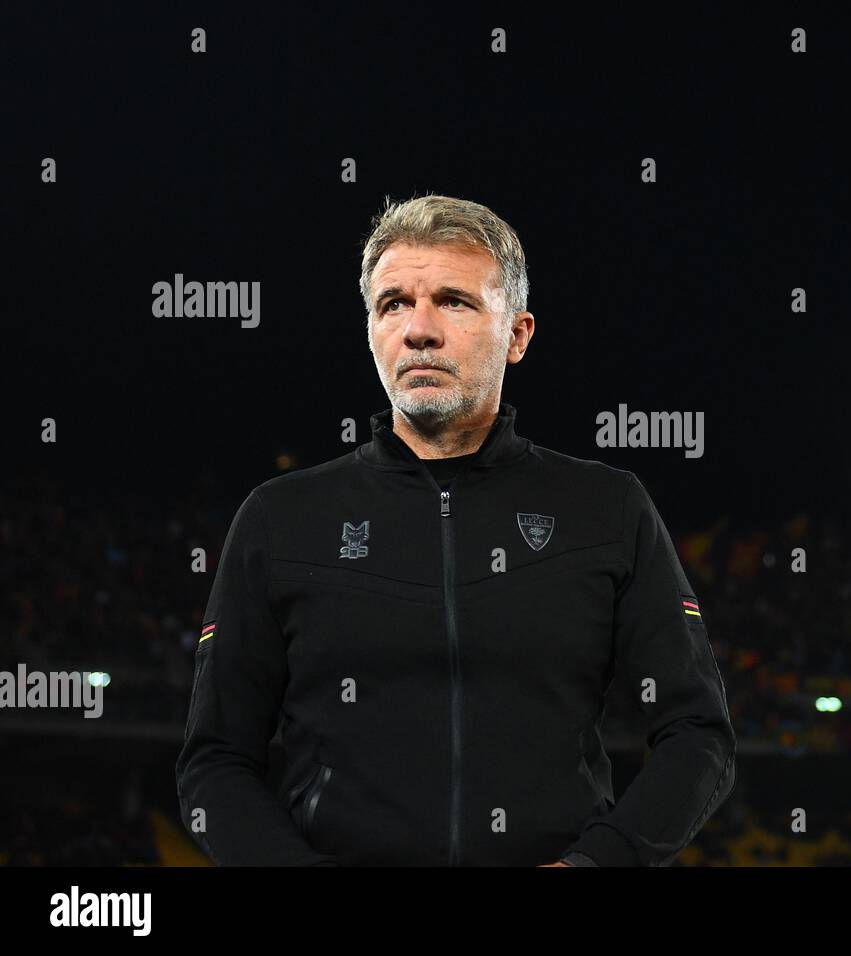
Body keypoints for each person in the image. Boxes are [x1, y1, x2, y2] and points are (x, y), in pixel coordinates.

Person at [175, 193, 736, 866]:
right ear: (372, 331)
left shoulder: (608, 507)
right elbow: (214, 761)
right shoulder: (280, 518)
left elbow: (698, 734)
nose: (419, 329)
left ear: (519, 334)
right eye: (393, 305)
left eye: (455, 301)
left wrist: (598, 863)